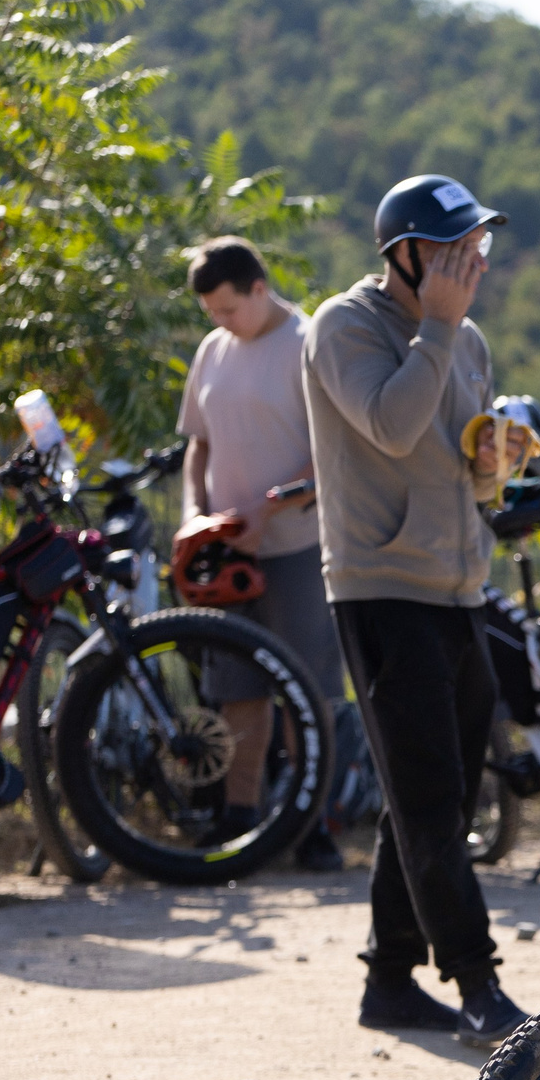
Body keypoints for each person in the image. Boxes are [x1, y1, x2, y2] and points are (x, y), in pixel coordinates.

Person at [303, 174, 529, 1046]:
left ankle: (391, 980)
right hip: (380, 589)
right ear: (403, 256)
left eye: (478, 248)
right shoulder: (345, 327)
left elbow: (465, 468)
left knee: (434, 794)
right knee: (431, 798)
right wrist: (435, 328)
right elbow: (392, 425)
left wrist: (497, 458)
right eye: (452, 251)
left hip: (457, 587)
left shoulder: (464, 341)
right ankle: (477, 984)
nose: (472, 264)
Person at [175, 236, 346, 872]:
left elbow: (334, 451)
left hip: (296, 547)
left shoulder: (308, 344)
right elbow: (198, 442)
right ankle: (238, 818)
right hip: (223, 553)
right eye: (209, 313)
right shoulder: (213, 350)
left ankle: (314, 823)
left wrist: (270, 511)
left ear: (258, 288)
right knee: (237, 689)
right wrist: (195, 511)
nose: (219, 322)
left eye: (226, 309)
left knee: (309, 689)